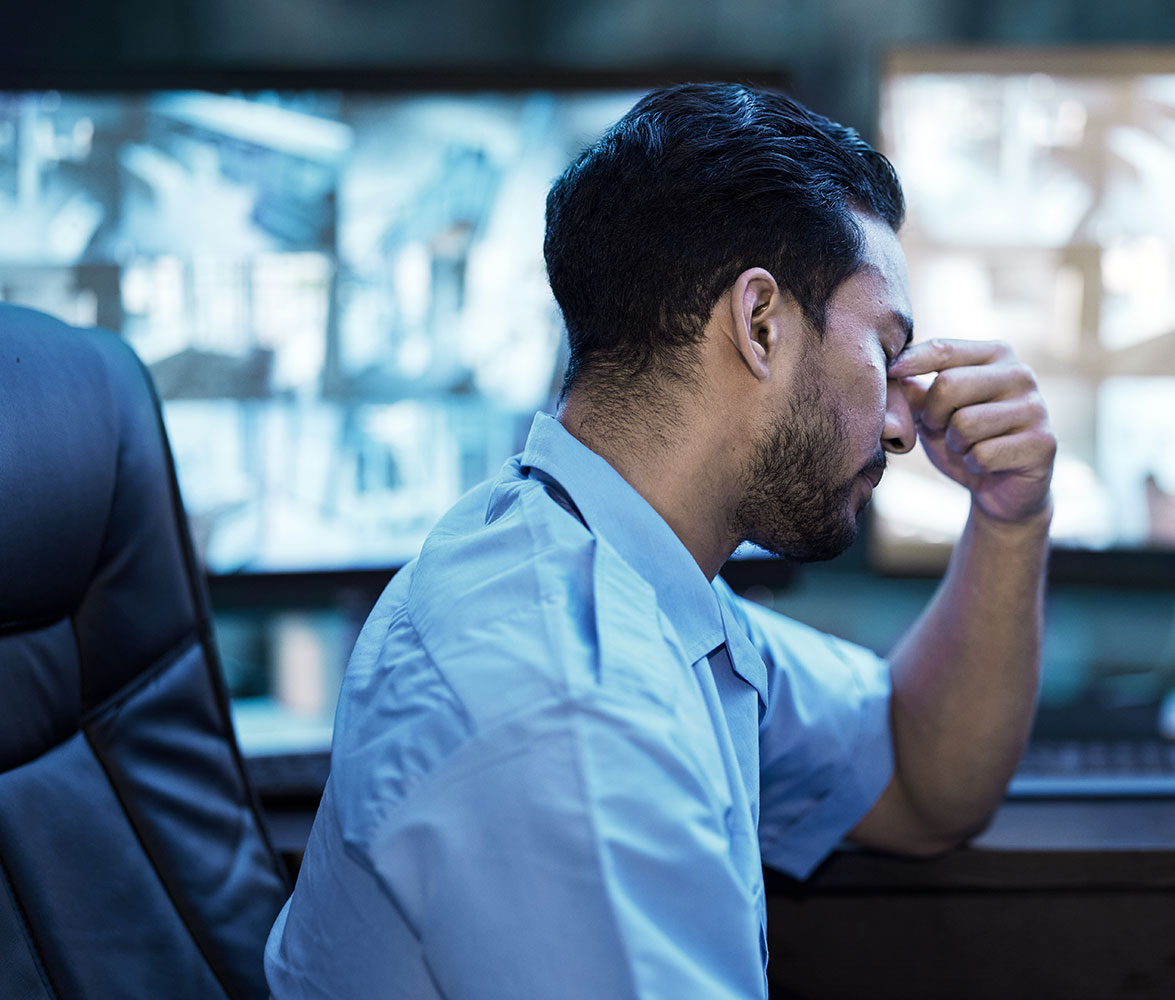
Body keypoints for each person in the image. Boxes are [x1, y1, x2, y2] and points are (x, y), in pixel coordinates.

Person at [264, 82, 1055, 999]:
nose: (900, 427)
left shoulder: (622, 569)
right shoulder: (567, 709)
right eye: (884, 348)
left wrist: (1010, 514)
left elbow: (923, 775)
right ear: (761, 324)